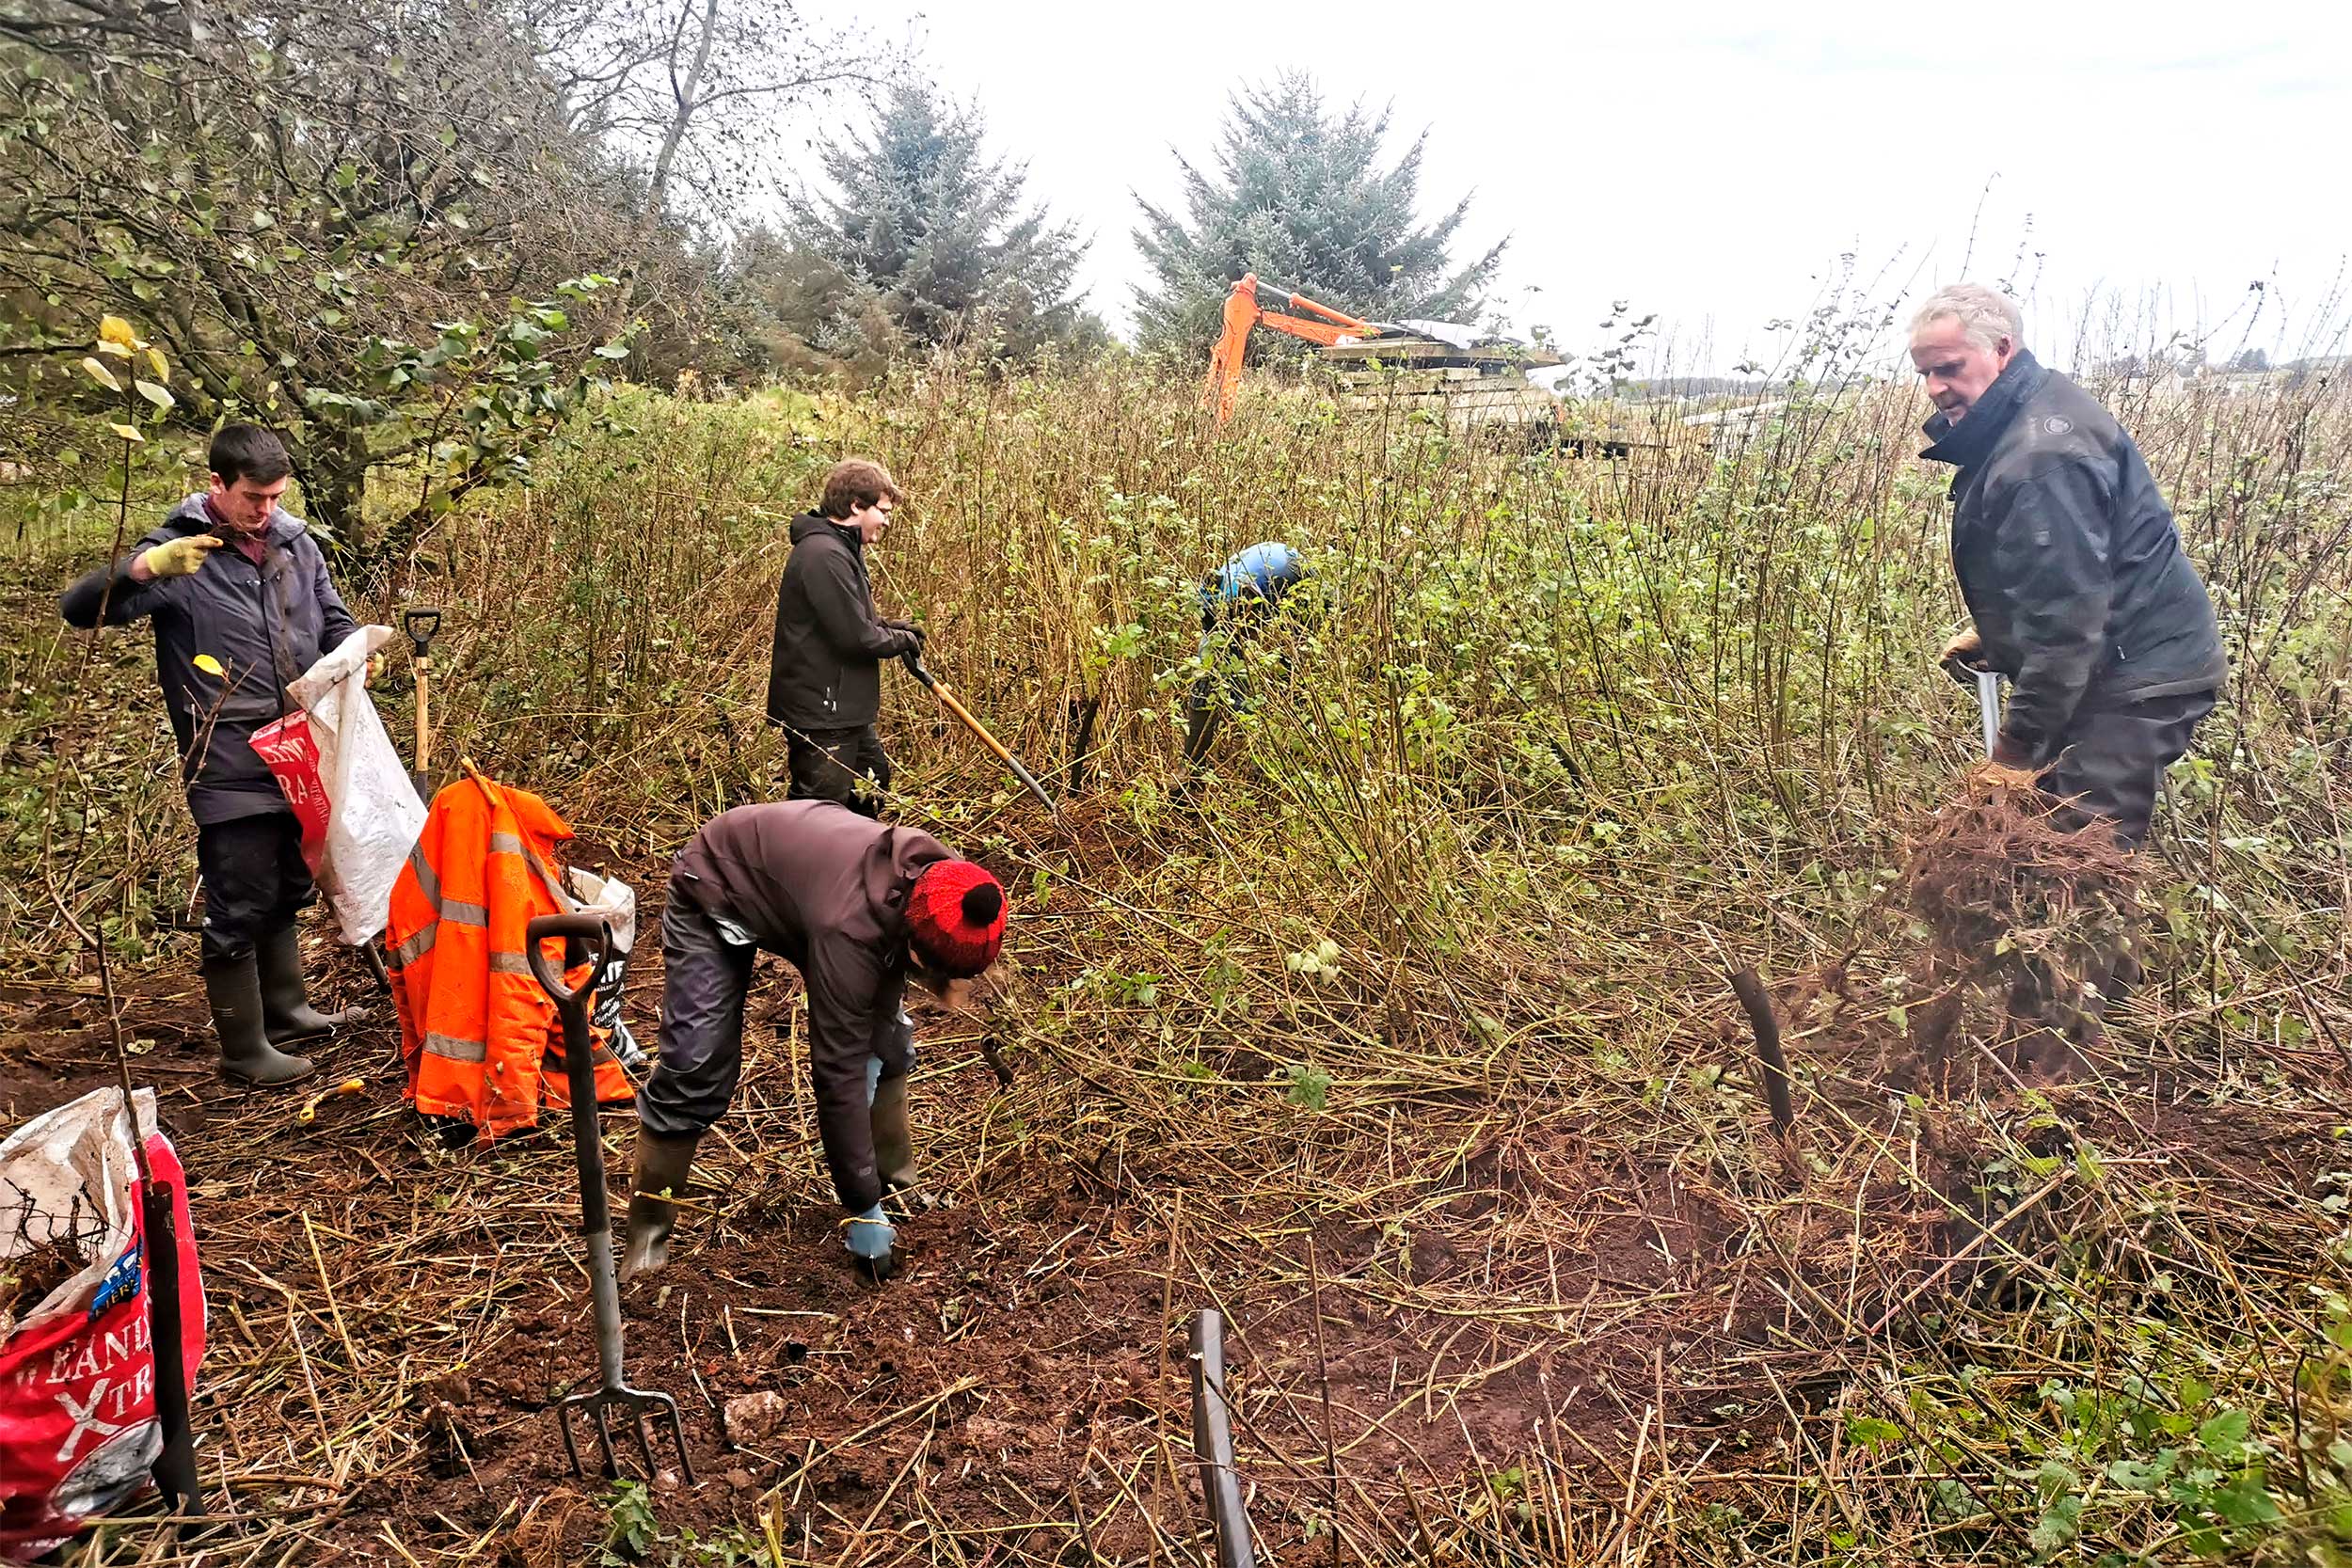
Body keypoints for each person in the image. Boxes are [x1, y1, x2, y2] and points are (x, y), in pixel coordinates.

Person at [59, 424, 369, 1086]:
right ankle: (243, 1047)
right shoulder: (180, 553)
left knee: (287, 878)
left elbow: (332, 615)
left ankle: (285, 1010)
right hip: (225, 751)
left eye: (276, 496)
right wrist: (144, 567)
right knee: (241, 889)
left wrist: (350, 653)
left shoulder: (295, 542)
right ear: (218, 486)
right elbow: (80, 608)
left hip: (301, 745)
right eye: (253, 496)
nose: (265, 510)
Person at [620, 800, 1007, 1284]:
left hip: (801, 887)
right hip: (716, 884)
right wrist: (861, 1207)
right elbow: (837, 1075)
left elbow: (877, 1023)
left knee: (887, 1041)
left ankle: (898, 1182)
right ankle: (649, 1229)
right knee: (697, 1063)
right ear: (914, 946)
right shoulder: (848, 929)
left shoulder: (951, 885)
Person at [1913, 283, 2227, 847]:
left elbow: (2066, 627)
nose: (1937, 388)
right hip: (2111, 657)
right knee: (2050, 837)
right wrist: (2001, 631)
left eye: (1950, 368)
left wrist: (2011, 756)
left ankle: (2092, 936)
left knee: (2082, 852)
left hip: (2136, 675)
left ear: (2002, 348)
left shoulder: (2042, 458)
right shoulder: (2028, 416)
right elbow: (2069, 575)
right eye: (1926, 374)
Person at [766, 459, 925, 816]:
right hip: (822, 711)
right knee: (820, 810)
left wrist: (893, 627)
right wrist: (899, 641)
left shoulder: (840, 550)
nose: (886, 520)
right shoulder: (822, 555)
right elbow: (857, 637)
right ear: (856, 505)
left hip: (843, 708)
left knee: (872, 784)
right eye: (882, 511)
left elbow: (848, 618)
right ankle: (803, 869)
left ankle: (851, 866)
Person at [1183, 541, 1306, 766]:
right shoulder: (1210, 591)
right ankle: (1192, 765)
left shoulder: (1248, 597)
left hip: (1290, 574)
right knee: (1208, 672)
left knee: (1296, 664)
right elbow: (1212, 642)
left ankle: (1274, 751)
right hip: (1262, 574)